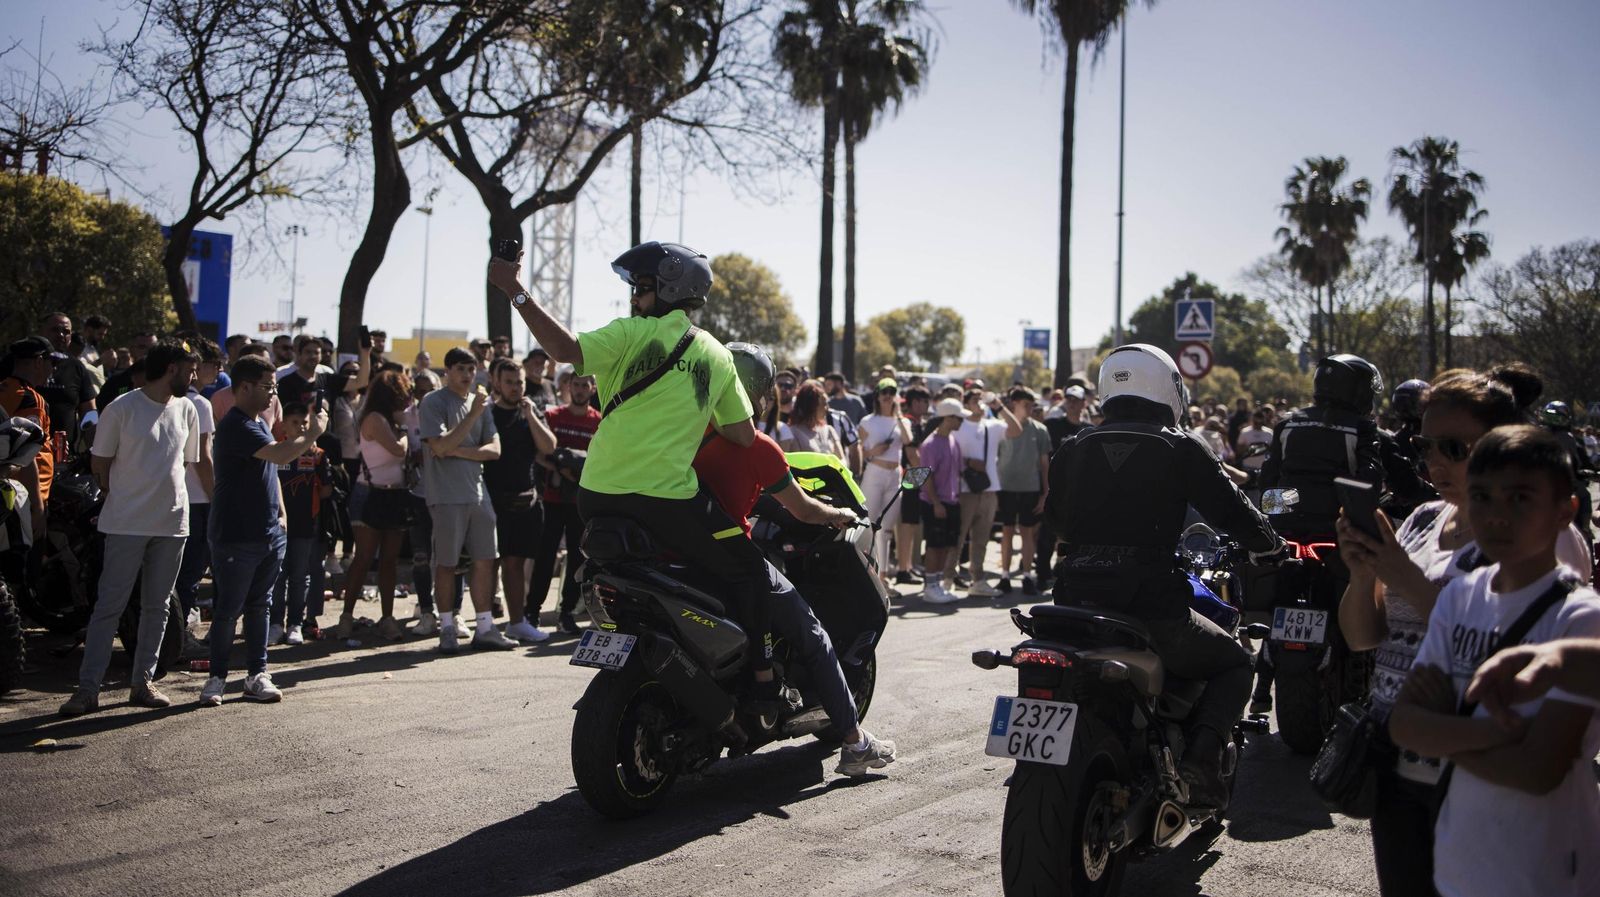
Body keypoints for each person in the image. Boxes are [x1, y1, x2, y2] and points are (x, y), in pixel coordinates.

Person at [1337, 368, 1593, 896]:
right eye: (1423, 444)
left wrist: (1400, 573)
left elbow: (1537, 756)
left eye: (1453, 447)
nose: (1433, 462)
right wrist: (1364, 574)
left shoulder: (1544, 534)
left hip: (1494, 796)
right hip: (1397, 770)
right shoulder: (1423, 520)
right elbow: (1366, 640)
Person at [489, 240, 783, 698]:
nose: (633, 298)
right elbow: (744, 435)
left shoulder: (627, 334)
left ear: (668, 290)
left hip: (596, 493)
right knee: (750, 571)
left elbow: (564, 347)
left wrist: (514, 289)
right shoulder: (715, 354)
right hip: (664, 499)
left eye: (641, 288)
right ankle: (764, 680)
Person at [1046, 344, 1283, 806]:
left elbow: (1056, 520)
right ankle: (1200, 760)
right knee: (1236, 663)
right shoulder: (1180, 445)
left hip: (1073, 599)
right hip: (1150, 604)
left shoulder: (1073, 447)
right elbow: (1234, 511)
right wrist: (1271, 545)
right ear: (1169, 387)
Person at [1388, 425, 1600, 897]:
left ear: (1566, 510)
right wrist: (1499, 733)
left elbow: (1537, 771)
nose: (1497, 516)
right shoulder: (1461, 595)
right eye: (1481, 496)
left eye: (1520, 498)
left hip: (1545, 871)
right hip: (1458, 862)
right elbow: (1403, 724)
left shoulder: (1581, 617)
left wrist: (1443, 734)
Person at [695, 343, 898, 774]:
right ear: (759, 394)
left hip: (682, 553)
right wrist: (839, 514)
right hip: (732, 557)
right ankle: (854, 741)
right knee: (814, 634)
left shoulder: (685, 432)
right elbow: (803, 509)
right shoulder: (758, 447)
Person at [59, 340, 202, 716]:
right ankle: (87, 691)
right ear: (171, 368)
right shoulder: (121, 408)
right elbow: (99, 465)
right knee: (110, 607)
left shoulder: (188, 409)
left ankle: (143, 683)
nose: (193, 376)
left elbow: (186, 465)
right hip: (125, 524)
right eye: (189, 369)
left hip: (173, 524)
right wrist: (123, 496)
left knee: (157, 608)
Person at [199, 355, 320, 705]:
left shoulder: (259, 422)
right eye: (268, 387)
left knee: (260, 606)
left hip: (269, 533)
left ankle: (256, 675)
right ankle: (217, 679)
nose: (273, 394)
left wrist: (281, 514)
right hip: (237, 534)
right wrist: (311, 434)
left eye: (275, 386)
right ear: (244, 387)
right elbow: (281, 455)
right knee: (228, 610)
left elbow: (271, 470)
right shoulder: (237, 424)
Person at [416, 348, 518, 651]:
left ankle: (485, 627)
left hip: (478, 493)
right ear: (447, 371)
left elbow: (495, 450)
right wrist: (471, 416)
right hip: (446, 496)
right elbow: (440, 443)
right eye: (461, 368)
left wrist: (455, 450)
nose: (468, 375)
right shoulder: (433, 402)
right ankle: (446, 626)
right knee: (446, 564)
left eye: (472, 369)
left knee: (486, 560)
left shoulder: (481, 405)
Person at [334, 370, 418, 641]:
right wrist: (405, 430)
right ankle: (346, 616)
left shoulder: (390, 419)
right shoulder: (375, 419)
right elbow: (398, 449)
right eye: (403, 392)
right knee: (364, 557)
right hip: (369, 494)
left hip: (394, 494)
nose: (407, 399)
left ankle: (387, 617)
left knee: (389, 561)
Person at [483, 357, 557, 643]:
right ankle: (484, 624)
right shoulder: (488, 414)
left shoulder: (531, 412)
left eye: (520, 383)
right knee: (488, 564)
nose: (515, 388)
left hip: (526, 501)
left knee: (515, 565)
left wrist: (532, 416)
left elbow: (549, 446)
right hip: (493, 501)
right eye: (510, 382)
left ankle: (517, 622)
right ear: (496, 383)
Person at [530, 371, 601, 635]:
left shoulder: (599, 421)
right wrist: (561, 470)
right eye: (576, 385)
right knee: (545, 557)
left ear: (593, 389)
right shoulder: (554, 416)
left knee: (576, 560)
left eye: (585, 385)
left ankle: (567, 612)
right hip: (551, 499)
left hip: (581, 501)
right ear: (568, 387)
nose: (580, 389)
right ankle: (532, 611)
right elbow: (538, 453)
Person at [951, 387, 1023, 596]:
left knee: (981, 538)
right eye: (974, 399)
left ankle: (978, 580)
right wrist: (969, 462)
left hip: (989, 489)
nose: (979, 402)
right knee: (958, 536)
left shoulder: (992, 426)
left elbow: (1016, 430)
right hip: (964, 489)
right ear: (966, 403)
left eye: (981, 399)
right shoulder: (959, 425)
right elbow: (949, 453)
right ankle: (948, 578)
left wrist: (998, 406)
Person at [271, 402, 331, 645]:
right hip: (279, 524)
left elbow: (326, 489)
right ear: (284, 424)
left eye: (304, 423)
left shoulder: (317, 455)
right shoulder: (276, 450)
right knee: (277, 576)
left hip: (306, 524)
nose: (300, 427)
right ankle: (275, 623)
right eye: (294, 422)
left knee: (300, 575)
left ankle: (295, 622)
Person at [173, 339, 221, 630]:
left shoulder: (167, 398)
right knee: (189, 573)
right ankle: (180, 637)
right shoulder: (199, 404)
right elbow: (203, 458)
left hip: (175, 497)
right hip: (198, 500)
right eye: (214, 364)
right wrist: (217, 496)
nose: (218, 370)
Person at [856, 378, 916, 581]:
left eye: (892, 391)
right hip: (874, 473)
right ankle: (868, 571)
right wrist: (875, 450)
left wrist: (899, 416)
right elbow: (858, 451)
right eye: (884, 392)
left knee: (887, 528)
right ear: (878, 396)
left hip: (895, 476)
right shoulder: (867, 421)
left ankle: (883, 575)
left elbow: (908, 440)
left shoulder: (902, 421)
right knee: (870, 524)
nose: (888, 395)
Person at [995, 387, 1052, 596]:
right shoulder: (1001, 428)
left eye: (1031, 405)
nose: (1029, 408)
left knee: (1027, 533)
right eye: (1025, 404)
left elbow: (1045, 464)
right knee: (1007, 532)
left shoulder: (1040, 430)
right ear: (1013, 404)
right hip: (1006, 488)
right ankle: (1004, 576)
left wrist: (1045, 493)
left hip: (1030, 489)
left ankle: (1028, 575)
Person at [1, 337, 55, 539]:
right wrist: (37, 506)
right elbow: (27, 455)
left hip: (10, 492)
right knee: (26, 564)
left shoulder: (5, 388)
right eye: (52, 363)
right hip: (21, 497)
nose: (54, 370)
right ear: (39, 361)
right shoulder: (29, 397)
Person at [915, 398, 968, 603]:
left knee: (946, 545)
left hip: (951, 502)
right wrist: (936, 503)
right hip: (934, 503)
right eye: (958, 417)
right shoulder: (930, 444)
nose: (961, 421)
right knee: (934, 546)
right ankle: (930, 587)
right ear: (948, 418)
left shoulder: (953, 440)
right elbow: (927, 476)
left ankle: (936, 584)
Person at [36, 311, 99, 452]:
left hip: (62, 457)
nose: (61, 335)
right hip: (21, 458)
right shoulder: (19, 362)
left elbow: (90, 413)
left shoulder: (77, 367)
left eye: (66, 331)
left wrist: (95, 451)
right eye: (55, 330)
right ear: (40, 331)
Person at [893, 385, 933, 586]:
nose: (926, 404)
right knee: (906, 525)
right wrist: (924, 480)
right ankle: (903, 569)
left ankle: (908, 566)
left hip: (914, 478)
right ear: (914, 402)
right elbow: (912, 455)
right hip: (910, 479)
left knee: (911, 524)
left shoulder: (918, 422)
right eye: (923, 401)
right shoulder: (909, 422)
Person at [788, 381, 845, 460]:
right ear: (811, 406)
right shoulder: (793, 433)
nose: (827, 408)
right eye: (824, 404)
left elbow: (842, 460)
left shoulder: (829, 430)